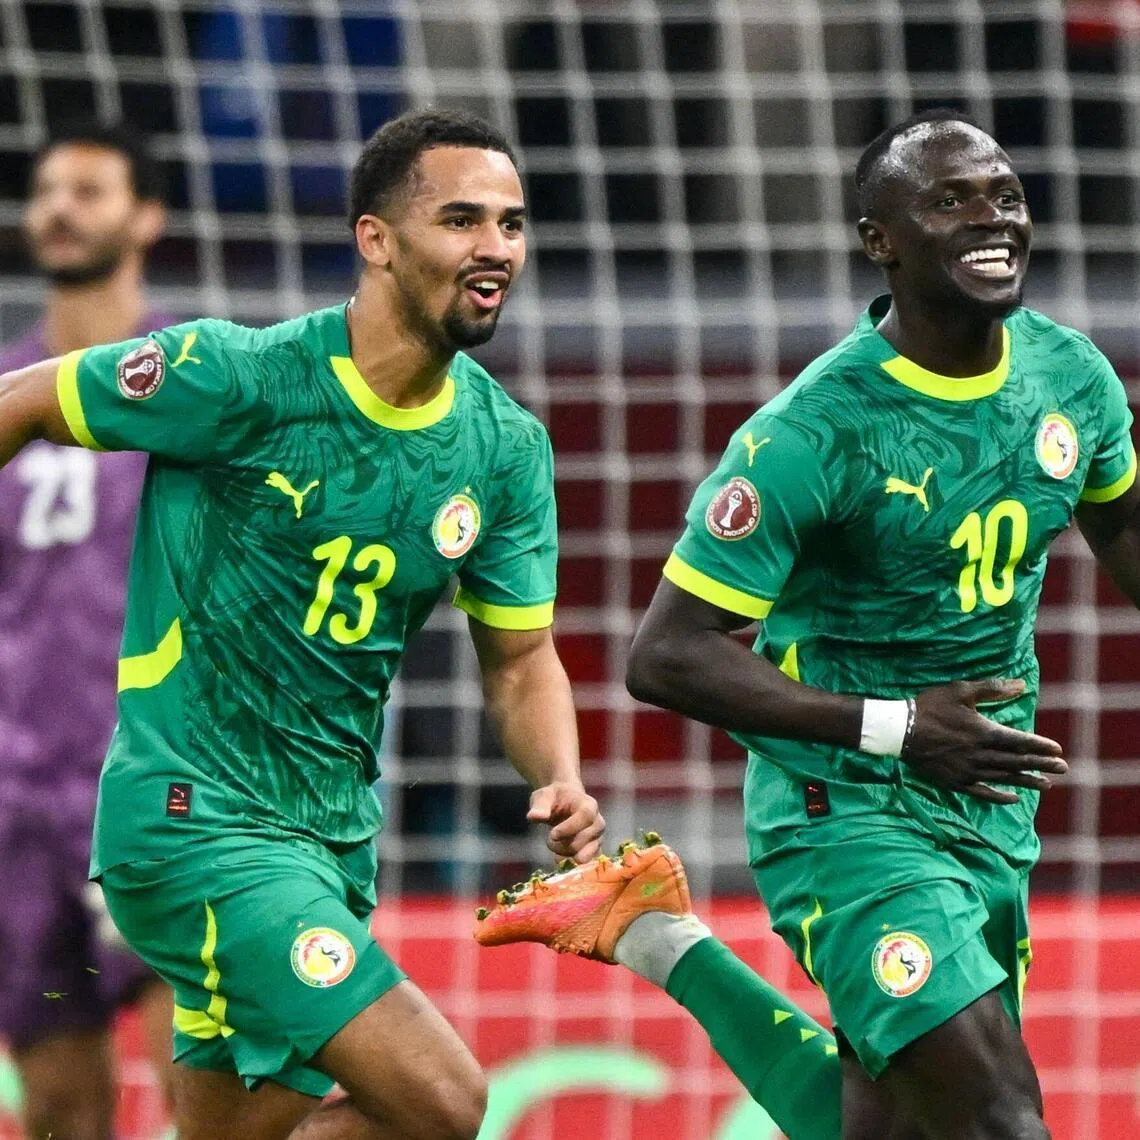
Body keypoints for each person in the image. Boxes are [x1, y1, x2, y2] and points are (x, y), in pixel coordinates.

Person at [475, 108, 1140, 1140]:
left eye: (1004, 195)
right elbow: (665, 657)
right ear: (880, 238)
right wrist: (902, 728)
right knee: (1001, 1123)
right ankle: (655, 934)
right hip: (846, 809)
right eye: (949, 200)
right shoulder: (811, 434)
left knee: (892, 1128)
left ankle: (655, 936)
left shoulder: (1071, 380)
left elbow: (1128, 534)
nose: (991, 219)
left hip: (987, 798)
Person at [0, 107, 604, 1140]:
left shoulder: (504, 451)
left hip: (329, 839)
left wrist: (559, 774)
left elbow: (519, 659)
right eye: (461, 219)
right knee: (446, 1104)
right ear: (376, 238)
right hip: (194, 821)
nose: (495, 247)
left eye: (510, 222)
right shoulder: (236, 377)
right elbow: (23, 399)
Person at [0, 119, 175, 1140]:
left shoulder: (188, 390)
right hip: (19, 803)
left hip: (155, 789)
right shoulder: (6, 390)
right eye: (48, 191)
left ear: (145, 217)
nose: (61, 209)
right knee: (63, 1112)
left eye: (91, 190)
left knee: (214, 1094)